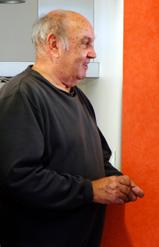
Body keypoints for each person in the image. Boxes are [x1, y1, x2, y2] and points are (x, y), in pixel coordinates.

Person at [0, 10, 144, 247]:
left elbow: (100, 157)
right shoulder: (21, 96)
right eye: (85, 42)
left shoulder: (78, 97)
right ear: (54, 44)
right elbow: (18, 177)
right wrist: (89, 191)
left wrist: (115, 181)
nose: (93, 52)